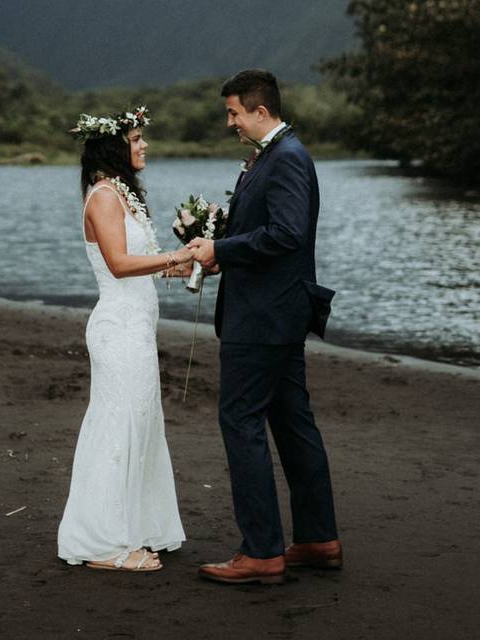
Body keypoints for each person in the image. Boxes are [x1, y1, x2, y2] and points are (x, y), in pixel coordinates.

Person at [188, 70, 341, 584]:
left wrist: (222, 249)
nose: (229, 122)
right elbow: (267, 230)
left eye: (233, 112)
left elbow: (288, 234)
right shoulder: (274, 156)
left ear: (259, 110)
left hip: (263, 318)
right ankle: (318, 540)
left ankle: (261, 553)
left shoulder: (288, 158)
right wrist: (216, 243)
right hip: (276, 314)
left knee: (241, 423)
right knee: (293, 426)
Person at [57, 107, 193, 572]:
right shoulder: (103, 198)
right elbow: (118, 264)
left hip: (137, 324)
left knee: (143, 422)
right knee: (120, 424)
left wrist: (189, 258)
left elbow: (143, 263)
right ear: (115, 147)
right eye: (137, 138)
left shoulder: (122, 195)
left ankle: (142, 525)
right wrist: (170, 256)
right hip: (118, 328)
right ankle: (104, 543)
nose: (144, 145)